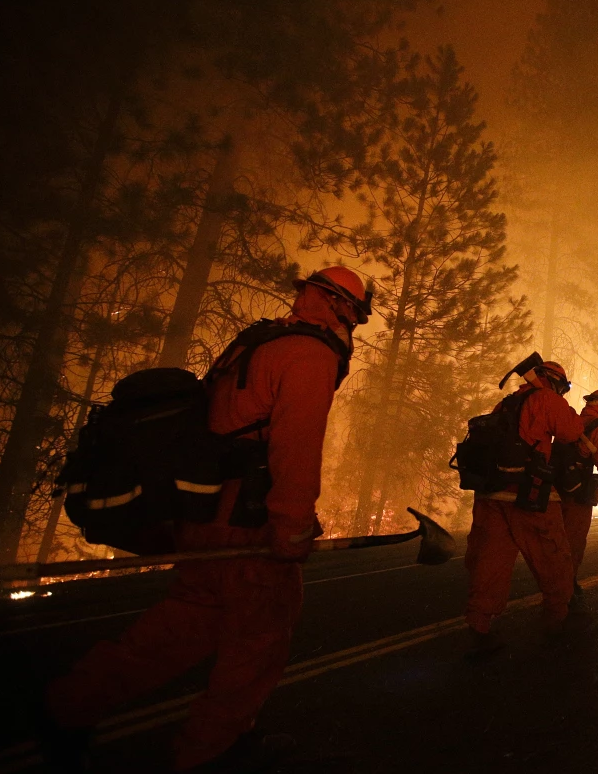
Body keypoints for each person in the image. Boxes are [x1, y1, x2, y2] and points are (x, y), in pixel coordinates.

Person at [41, 266, 370, 772]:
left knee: (185, 623)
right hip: (248, 521)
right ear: (340, 305)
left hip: (203, 511)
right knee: (258, 641)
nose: (355, 324)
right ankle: (211, 753)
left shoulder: (260, 340)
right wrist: (292, 528)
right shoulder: (310, 353)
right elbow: (295, 449)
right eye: (357, 312)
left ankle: (70, 706)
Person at [464, 359, 586, 650]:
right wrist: (564, 406)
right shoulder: (547, 399)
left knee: (490, 564)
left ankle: (479, 627)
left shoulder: (506, 404)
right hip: (529, 496)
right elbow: (570, 431)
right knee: (553, 556)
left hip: (491, 496)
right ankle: (557, 621)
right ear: (555, 382)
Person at [556, 388, 598, 606]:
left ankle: (554, 583)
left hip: (556, 487)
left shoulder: (572, 422)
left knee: (555, 537)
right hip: (578, 492)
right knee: (574, 539)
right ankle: (565, 588)